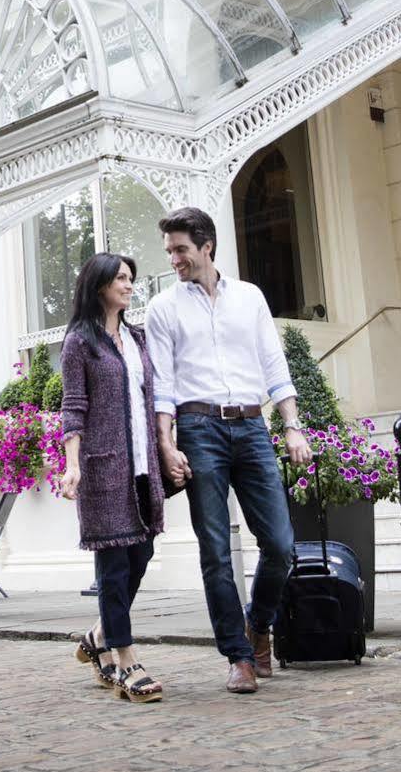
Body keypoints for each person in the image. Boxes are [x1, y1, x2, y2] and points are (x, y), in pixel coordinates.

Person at [145, 205, 311, 694]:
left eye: (181, 249)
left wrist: (293, 426)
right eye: (170, 250)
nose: (174, 259)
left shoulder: (250, 298)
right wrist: (167, 443)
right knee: (216, 550)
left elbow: (273, 363)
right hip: (199, 430)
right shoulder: (163, 308)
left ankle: (258, 626)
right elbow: (163, 387)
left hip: (253, 427)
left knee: (280, 546)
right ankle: (238, 656)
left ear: (207, 246)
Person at [57, 251, 168, 704]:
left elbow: (154, 394)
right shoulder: (79, 343)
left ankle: (99, 635)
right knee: (114, 566)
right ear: (99, 284)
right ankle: (126, 660)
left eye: (130, 278)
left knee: (142, 552)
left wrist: (167, 447)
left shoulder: (138, 338)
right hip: (104, 468)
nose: (128, 284)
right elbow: (73, 407)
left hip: (144, 466)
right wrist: (73, 463)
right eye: (121, 278)